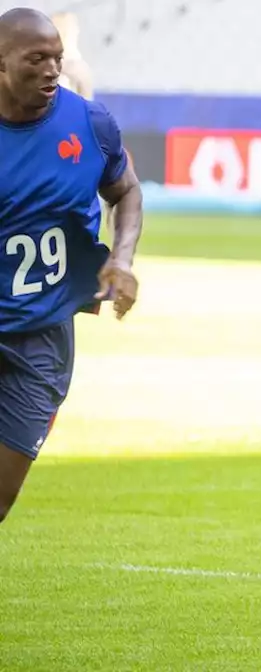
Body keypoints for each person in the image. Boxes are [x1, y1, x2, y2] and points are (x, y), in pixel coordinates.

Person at [0, 8, 143, 522]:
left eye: (57, 58)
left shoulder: (89, 122)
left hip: (42, 335)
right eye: (36, 59)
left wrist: (122, 258)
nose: (51, 71)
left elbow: (126, 190)